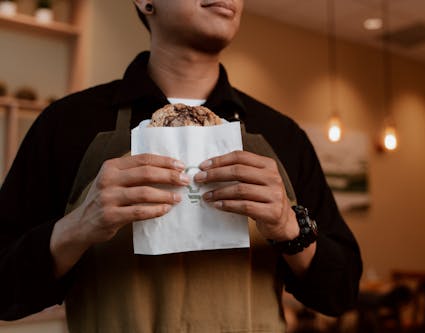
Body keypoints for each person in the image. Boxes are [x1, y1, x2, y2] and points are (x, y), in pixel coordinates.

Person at [0, 0, 362, 331]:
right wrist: (79, 225)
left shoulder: (284, 135)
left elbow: (340, 292)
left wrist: (288, 226)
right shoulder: (66, 125)